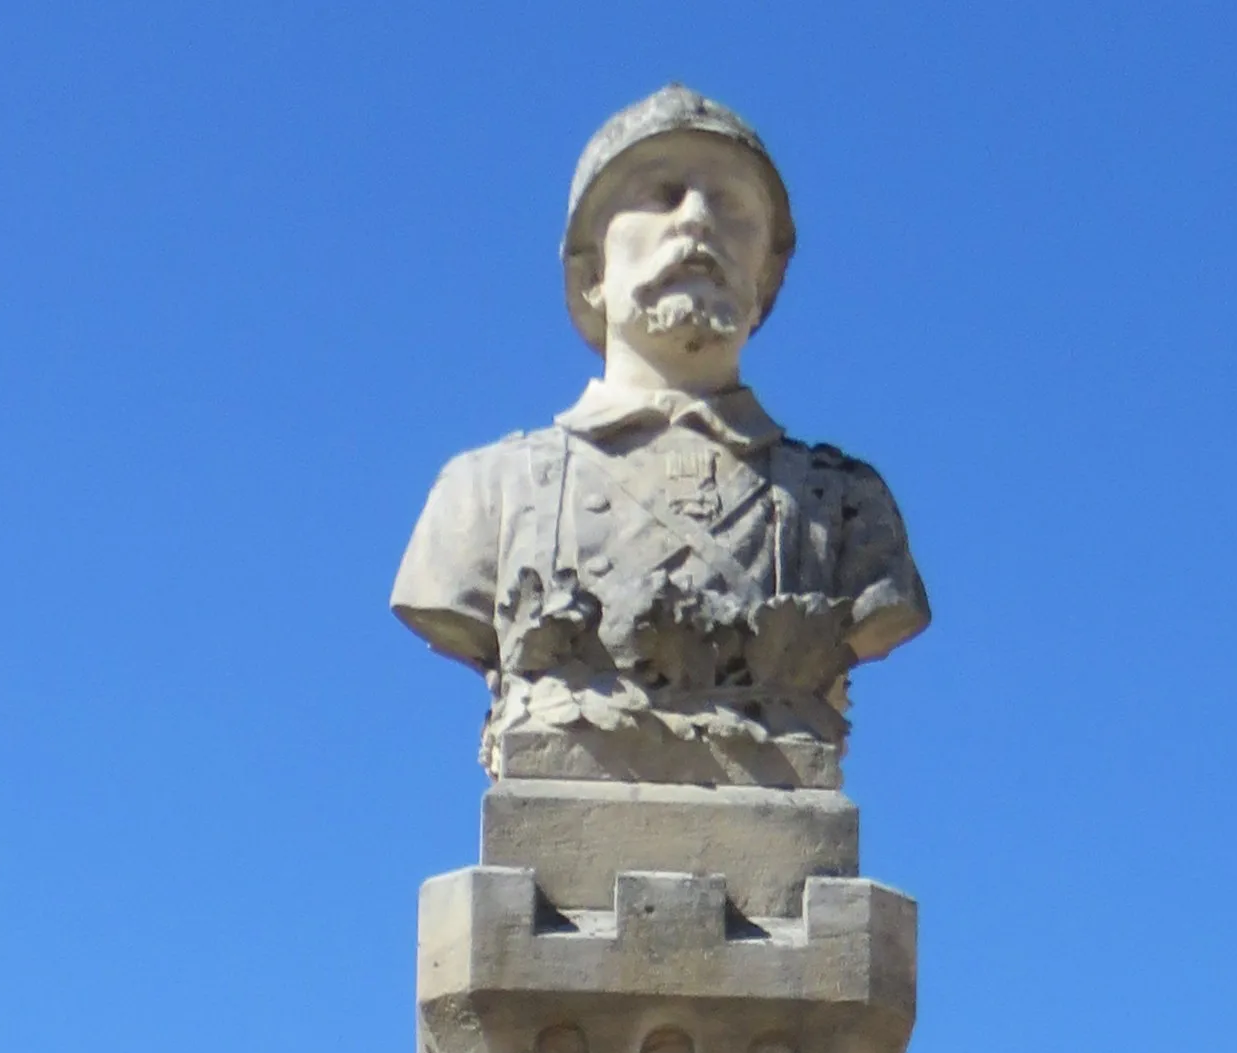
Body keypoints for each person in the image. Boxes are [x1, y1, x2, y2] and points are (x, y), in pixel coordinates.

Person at [391, 87, 929, 790]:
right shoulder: (485, 490)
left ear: (765, 279)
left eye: (733, 207)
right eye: (663, 194)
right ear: (590, 276)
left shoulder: (847, 505)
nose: (698, 221)